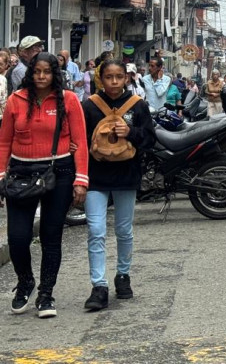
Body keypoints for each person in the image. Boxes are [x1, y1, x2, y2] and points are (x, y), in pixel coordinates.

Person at [0, 52, 89, 317]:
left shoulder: (68, 100)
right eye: (37, 72)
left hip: (59, 172)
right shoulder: (16, 101)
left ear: (55, 74)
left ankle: (46, 294)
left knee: (52, 236)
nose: (41, 77)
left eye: (47, 72)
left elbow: (80, 141)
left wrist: (81, 179)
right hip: (20, 173)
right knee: (17, 237)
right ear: (30, 73)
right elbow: (4, 142)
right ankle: (25, 282)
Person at [80, 59, 154, 311]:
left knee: (124, 230)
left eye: (119, 77)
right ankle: (98, 285)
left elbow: (150, 140)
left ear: (127, 78)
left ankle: (123, 276)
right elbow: (79, 141)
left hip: (126, 176)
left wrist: (130, 132)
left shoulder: (138, 106)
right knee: (96, 231)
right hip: (95, 177)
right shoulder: (89, 107)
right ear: (101, 78)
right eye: (109, 77)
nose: (114, 82)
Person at [0, 49, 9, 117]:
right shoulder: (2, 79)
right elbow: (2, 99)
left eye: (0, 64)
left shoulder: (3, 78)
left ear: (6, 65)